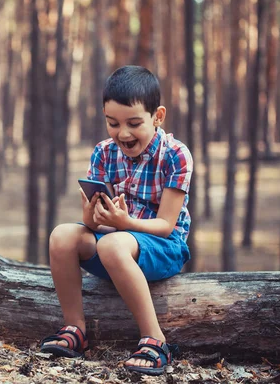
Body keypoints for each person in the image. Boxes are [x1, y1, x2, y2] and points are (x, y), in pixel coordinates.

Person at [39, 65, 192, 376]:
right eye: (113, 123)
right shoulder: (104, 153)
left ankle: (155, 339)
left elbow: (166, 226)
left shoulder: (175, 155)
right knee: (61, 235)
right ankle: (75, 329)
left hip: (164, 247)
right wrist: (93, 215)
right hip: (115, 240)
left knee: (111, 244)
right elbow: (93, 225)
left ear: (157, 116)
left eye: (134, 123)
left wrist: (124, 224)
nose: (123, 133)